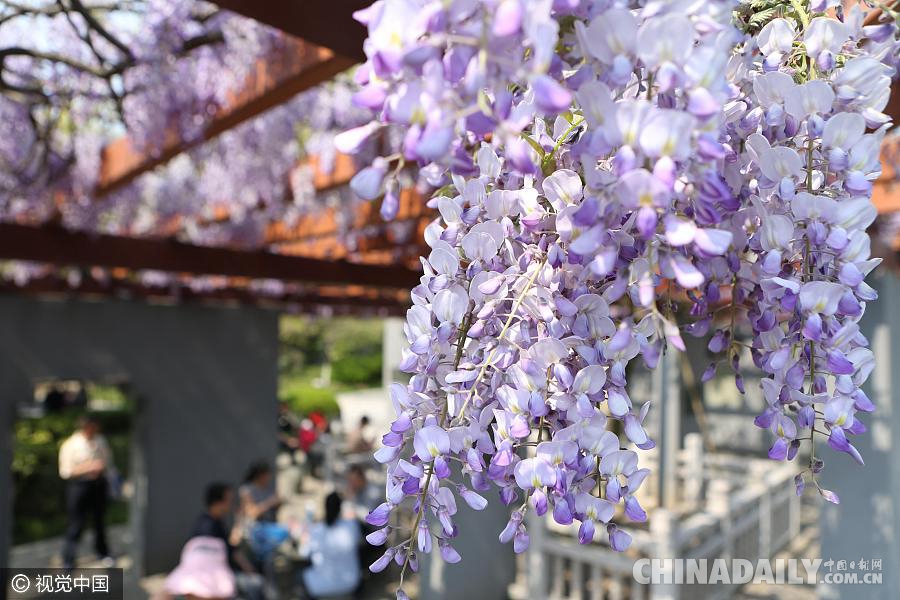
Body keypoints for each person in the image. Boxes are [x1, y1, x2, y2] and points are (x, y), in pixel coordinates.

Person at [190, 482, 266, 600]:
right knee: (256, 584)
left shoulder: (215, 522)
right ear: (218, 502)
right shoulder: (207, 527)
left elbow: (230, 546)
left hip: (222, 574)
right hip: (214, 579)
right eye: (228, 500)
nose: (230, 504)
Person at [58, 414, 115, 569]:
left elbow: (108, 462)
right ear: (86, 427)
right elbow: (65, 471)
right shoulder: (70, 444)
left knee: (99, 522)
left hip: (98, 485)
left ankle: (103, 553)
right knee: (75, 524)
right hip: (79, 487)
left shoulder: (100, 440)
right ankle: (68, 560)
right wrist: (88, 467)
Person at [298, 492, 361, 599]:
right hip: (351, 583)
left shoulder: (316, 530)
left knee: (299, 575)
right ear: (340, 508)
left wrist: (303, 538)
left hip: (320, 587)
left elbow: (303, 553)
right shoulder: (352, 525)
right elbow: (359, 542)